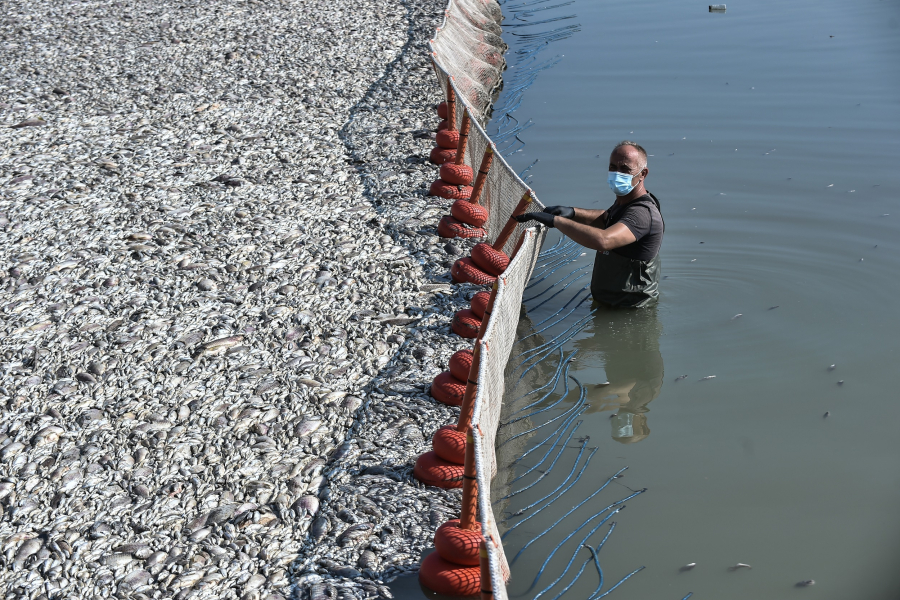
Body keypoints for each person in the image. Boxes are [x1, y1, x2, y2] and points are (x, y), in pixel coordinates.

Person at [515, 141, 664, 308]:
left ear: (643, 174)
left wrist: (556, 221)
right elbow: (607, 218)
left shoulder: (641, 213)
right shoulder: (625, 203)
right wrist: (572, 213)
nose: (617, 173)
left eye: (625, 169)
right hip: (610, 303)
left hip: (631, 311)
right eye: (613, 167)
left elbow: (604, 240)